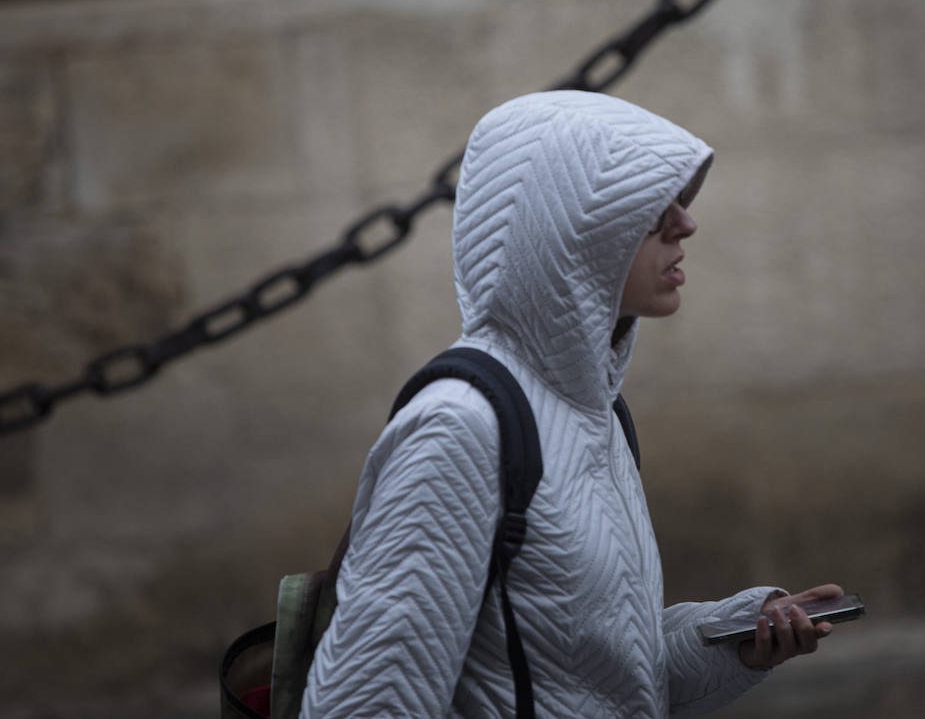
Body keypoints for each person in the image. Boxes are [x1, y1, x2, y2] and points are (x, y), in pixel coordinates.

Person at [302, 90, 840, 717]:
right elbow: (366, 702)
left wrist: (735, 641)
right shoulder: (459, 427)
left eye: (680, 201)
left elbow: (597, 681)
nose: (685, 224)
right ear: (563, 231)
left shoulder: (593, 408)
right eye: (649, 207)